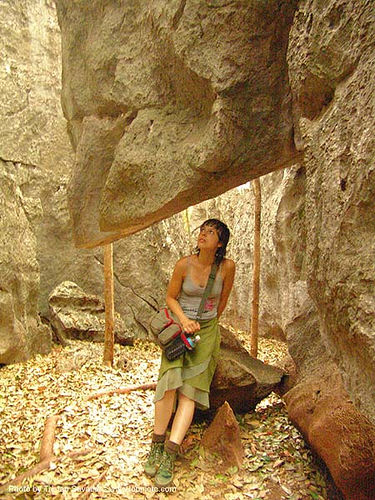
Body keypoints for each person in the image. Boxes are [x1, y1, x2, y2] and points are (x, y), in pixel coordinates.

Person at [144, 218, 236, 488]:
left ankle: (171, 453)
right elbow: (170, 298)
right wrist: (184, 320)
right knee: (169, 384)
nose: (203, 235)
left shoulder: (227, 267)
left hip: (206, 333)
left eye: (210, 232)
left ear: (220, 242)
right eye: (202, 230)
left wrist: (205, 324)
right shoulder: (184, 264)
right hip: (179, 329)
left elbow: (223, 301)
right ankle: (156, 445)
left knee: (190, 391)